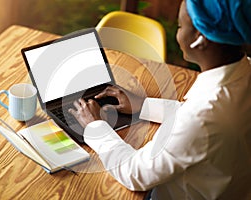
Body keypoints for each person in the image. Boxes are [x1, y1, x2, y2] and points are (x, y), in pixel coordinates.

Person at [69, 0, 251, 199]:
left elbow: (135, 174)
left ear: (200, 37)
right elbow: (199, 122)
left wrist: (95, 128)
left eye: (181, 26)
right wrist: (143, 105)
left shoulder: (202, 117)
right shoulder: (244, 72)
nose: (178, 32)